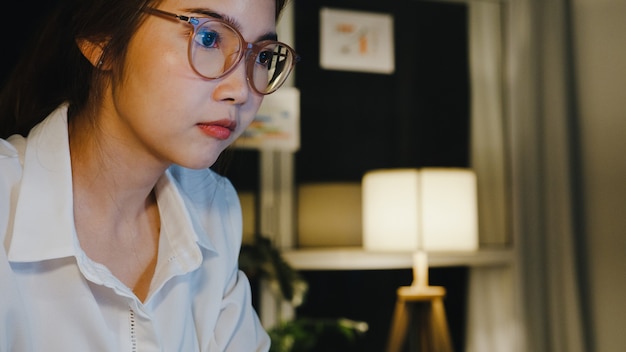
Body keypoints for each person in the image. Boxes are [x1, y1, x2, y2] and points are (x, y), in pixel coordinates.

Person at [0, 0, 298, 350]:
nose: (241, 90)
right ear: (100, 37)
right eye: (209, 38)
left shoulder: (214, 208)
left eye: (262, 56)